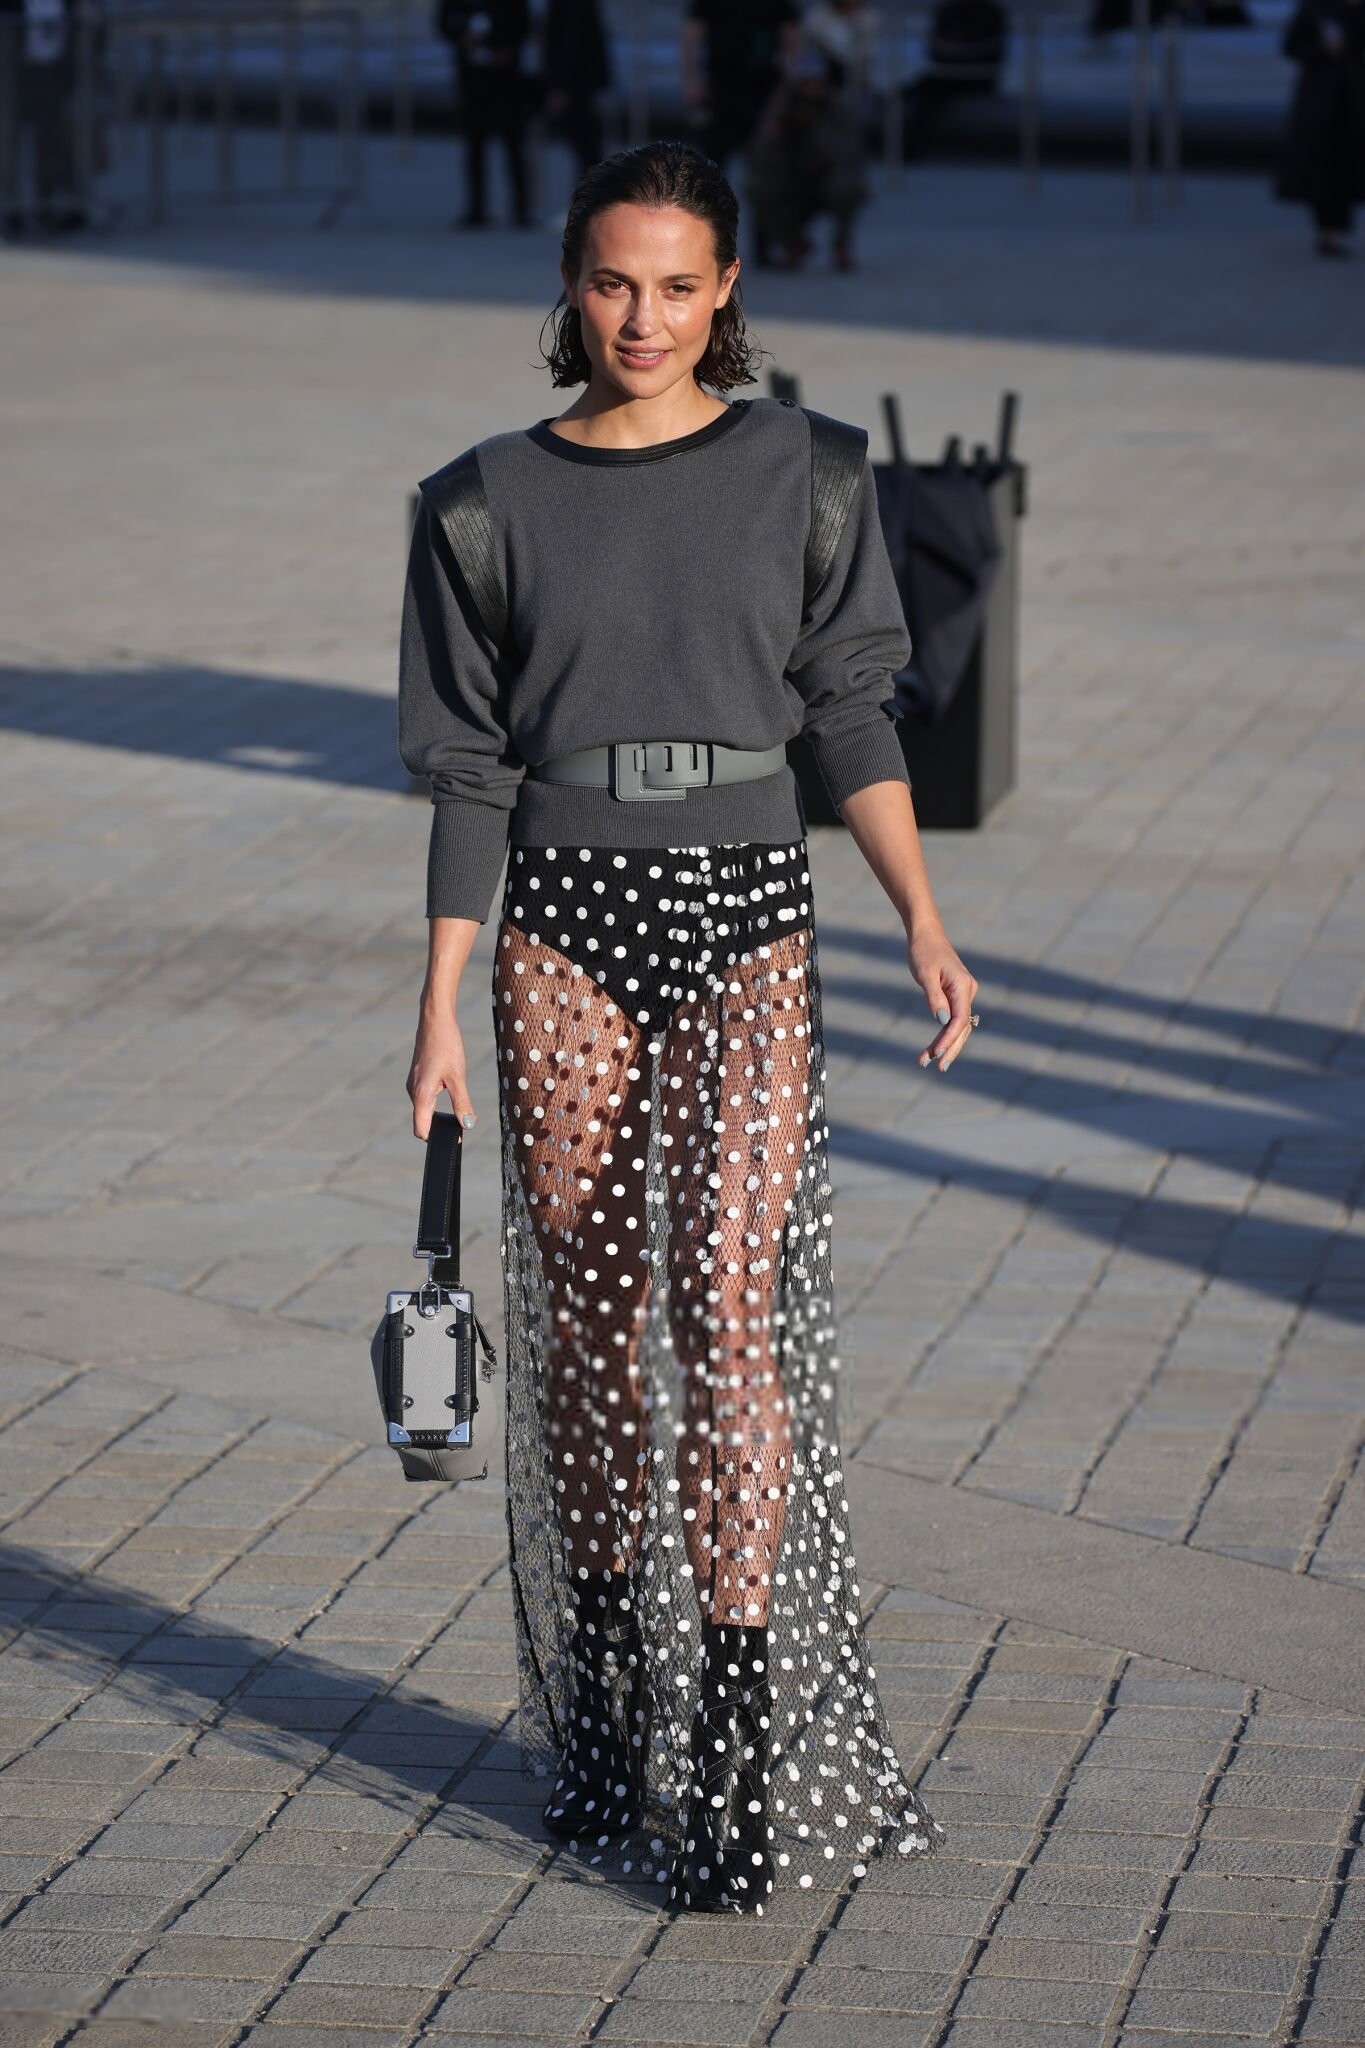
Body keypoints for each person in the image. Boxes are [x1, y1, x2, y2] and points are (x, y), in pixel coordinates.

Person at [398, 139, 973, 1912]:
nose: (640, 317)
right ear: (569, 284)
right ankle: (608, 1699)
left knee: (726, 1308)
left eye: (674, 284)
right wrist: (436, 1006)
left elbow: (849, 709)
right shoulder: (480, 501)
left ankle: (728, 1735)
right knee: (586, 1332)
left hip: (746, 923)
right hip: (561, 929)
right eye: (610, 281)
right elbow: (470, 772)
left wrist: (921, 916)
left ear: (727, 289)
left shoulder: (811, 471)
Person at [745, 51, 869, 271]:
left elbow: (849, 155)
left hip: (827, 179)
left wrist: (814, 126)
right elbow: (757, 155)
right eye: (804, 84)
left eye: (815, 83)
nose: (809, 90)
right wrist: (779, 127)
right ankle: (793, 242)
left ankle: (841, 244)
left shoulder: (838, 109)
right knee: (757, 187)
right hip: (791, 178)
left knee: (847, 187)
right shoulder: (781, 108)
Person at [1277, 0, 1365, 255]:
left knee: (1349, 161)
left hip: (1354, 97)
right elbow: (1291, 47)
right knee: (1323, 163)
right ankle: (1328, 232)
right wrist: (1321, 50)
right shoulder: (1314, 9)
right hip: (1320, 97)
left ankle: (1335, 229)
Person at [436, 0, 533, 228]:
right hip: (473, 80)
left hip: (506, 80)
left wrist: (507, 47)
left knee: (514, 143)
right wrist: (460, 37)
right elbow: (444, 21)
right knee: (475, 145)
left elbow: (522, 23)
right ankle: (476, 208)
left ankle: (521, 208)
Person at [1, 0, 86, 237]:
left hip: (53, 69)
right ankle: (9, 207)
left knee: (52, 139)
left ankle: (49, 204)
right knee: (8, 140)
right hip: (12, 66)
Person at [542, 0, 611, 177]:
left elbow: (570, 38)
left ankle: (593, 190)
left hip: (575, 83)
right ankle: (593, 188)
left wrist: (560, 85)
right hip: (579, 81)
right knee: (586, 145)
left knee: (585, 145)